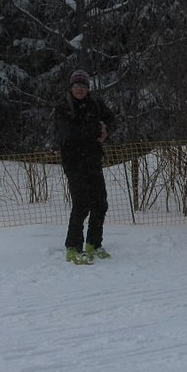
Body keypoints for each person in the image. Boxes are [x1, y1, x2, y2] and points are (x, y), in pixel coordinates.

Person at [54, 69, 116, 265]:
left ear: (88, 88)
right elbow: (70, 133)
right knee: (81, 204)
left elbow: (112, 119)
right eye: (76, 86)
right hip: (73, 162)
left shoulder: (95, 103)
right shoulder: (64, 106)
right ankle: (73, 246)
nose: (80, 89)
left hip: (93, 160)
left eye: (83, 86)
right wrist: (95, 129)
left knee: (100, 203)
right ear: (71, 87)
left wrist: (106, 129)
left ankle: (93, 244)